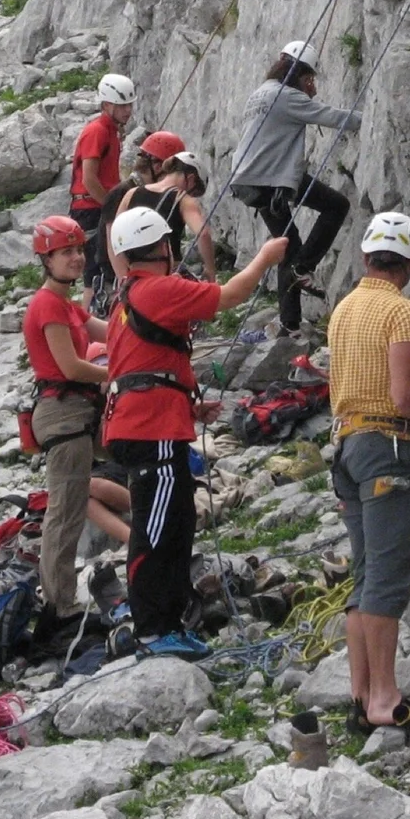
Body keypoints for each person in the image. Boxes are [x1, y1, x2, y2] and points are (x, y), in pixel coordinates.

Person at [101, 207, 287, 659]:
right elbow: (228, 295)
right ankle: (152, 628)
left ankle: (168, 618)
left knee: (176, 520)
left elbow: (140, 363)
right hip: (152, 426)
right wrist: (264, 257)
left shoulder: (125, 298)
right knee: (158, 526)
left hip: (147, 418)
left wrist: (185, 403)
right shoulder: (157, 289)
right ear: (163, 248)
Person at [327, 212, 410, 740]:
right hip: (389, 450)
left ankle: (362, 696)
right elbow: (404, 395)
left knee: (364, 577)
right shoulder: (403, 311)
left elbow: (372, 374)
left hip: (348, 447)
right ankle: (385, 699)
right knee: (387, 577)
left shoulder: (345, 310)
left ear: (366, 257)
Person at [231, 41, 361, 338]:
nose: (310, 84)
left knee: (285, 244)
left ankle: (289, 323)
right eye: (308, 79)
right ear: (298, 73)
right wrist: (370, 118)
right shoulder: (287, 96)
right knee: (336, 206)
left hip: (249, 178)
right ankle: (303, 268)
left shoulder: (261, 92)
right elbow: (332, 117)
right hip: (272, 176)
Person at [23, 216, 112, 622]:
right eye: (66, 252)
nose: (77, 258)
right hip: (64, 416)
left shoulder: (67, 306)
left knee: (70, 506)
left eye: (79, 250)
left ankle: (61, 598)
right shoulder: (47, 306)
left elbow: (111, 332)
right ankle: (60, 605)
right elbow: (71, 367)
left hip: (74, 414)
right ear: (47, 259)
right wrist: (119, 375)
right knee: (65, 509)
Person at [70, 73, 137, 306]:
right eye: (121, 106)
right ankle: (90, 324)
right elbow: (89, 178)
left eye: (129, 104)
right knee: (95, 272)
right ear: (107, 105)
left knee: (105, 268)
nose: (127, 110)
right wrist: (112, 206)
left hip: (97, 205)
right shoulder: (97, 131)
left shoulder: (112, 130)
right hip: (90, 208)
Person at [107, 148, 218, 282]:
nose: (192, 195)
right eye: (194, 191)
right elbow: (203, 234)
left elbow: (115, 237)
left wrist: (123, 277)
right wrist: (210, 269)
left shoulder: (132, 193)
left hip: (136, 273)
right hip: (168, 273)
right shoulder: (183, 199)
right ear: (190, 178)